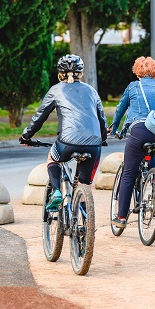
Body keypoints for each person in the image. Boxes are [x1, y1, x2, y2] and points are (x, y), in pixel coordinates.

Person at [20, 54, 107, 211]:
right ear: (80, 73)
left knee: (52, 159)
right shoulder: (92, 91)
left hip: (66, 143)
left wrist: (26, 136)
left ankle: (56, 192)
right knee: (84, 184)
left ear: (60, 73)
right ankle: (83, 227)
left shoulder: (56, 90)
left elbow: (40, 116)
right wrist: (103, 138)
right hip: (94, 145)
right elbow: (101, 119)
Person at [108, 56, 155, 228]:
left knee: (128, 173)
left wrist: (114, 130)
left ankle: (121, 218)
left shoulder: (133, 86)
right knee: (151, 152)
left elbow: (120, 109)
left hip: (139, 131)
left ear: (137, 71)